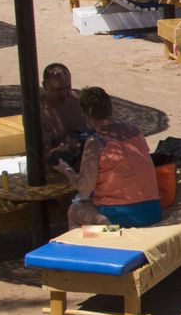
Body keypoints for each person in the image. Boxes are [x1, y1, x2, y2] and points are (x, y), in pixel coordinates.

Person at [67, 86, 161, 228]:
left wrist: (65, 169)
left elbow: (85, 188)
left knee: (74, 210)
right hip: (152, 210)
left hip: (122, 214)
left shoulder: (95, 142)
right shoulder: (135, 131)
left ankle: (84, 247)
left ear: (86, 115)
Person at [39, 62, 89, 169]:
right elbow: (42, 158)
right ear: (44, 86)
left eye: (67, 87)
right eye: (58, 90)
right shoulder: (38, 114)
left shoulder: (80, 100)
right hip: (60, 170)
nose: (64, 94)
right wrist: (62, 148)